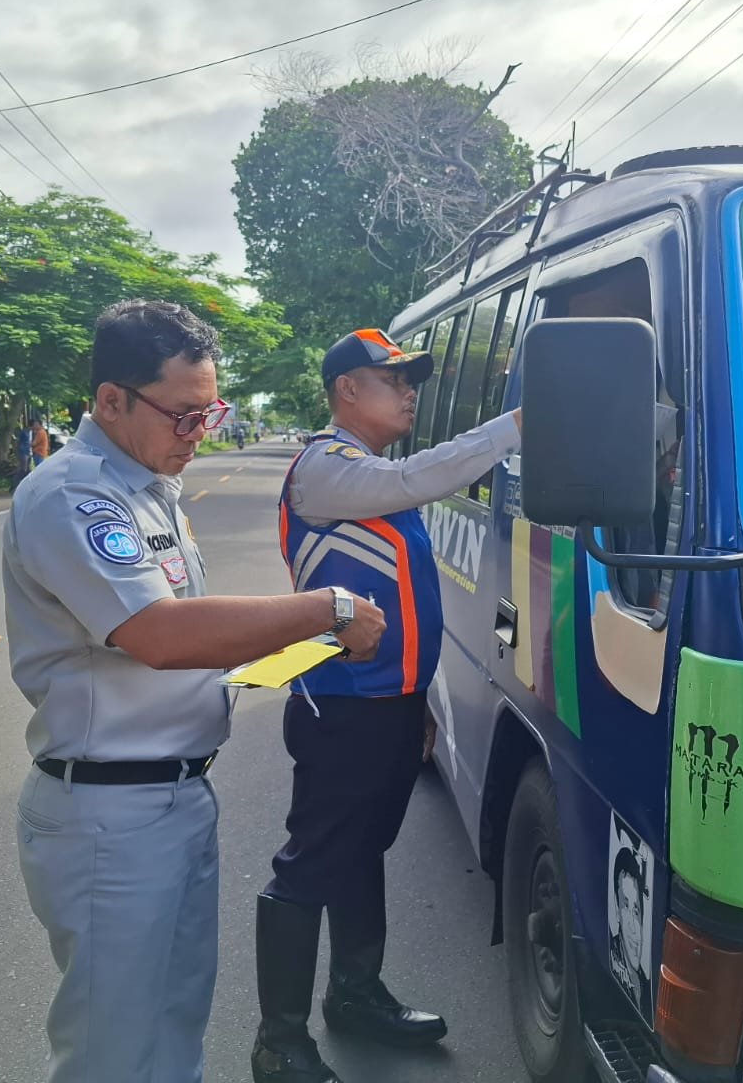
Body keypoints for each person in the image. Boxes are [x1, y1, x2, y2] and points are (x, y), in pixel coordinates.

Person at [2, 299, 385, 1083]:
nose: (199, 433)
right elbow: (161, 634)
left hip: (175, 798)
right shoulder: (72, 495)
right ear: (111, 400)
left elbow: (194, 640)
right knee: (113, 1053)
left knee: (175, 1027)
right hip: (110, 816)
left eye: (210, 413)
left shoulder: (150, 489)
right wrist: (328, 609)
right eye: (182, 415)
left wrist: (288, 650)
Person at [252, 328, 523, 1083]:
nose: (409, 394)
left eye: (412, 381)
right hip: (341, 706)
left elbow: (402, 601)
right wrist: (516, 425)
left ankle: (355, 995)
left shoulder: (368, 475)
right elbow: (420, 478)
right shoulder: (326, 467)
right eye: (393, 380)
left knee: (362, 848)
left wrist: (419, 697)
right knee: (312, 864)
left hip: (389, 704)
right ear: (347, 390)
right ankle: (279, 1041)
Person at [609, 846, 652, 1019]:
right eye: (625, 907)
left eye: (636, 911)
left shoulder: (647, 987)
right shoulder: (613, 956)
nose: (634, 927)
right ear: (616, 909)